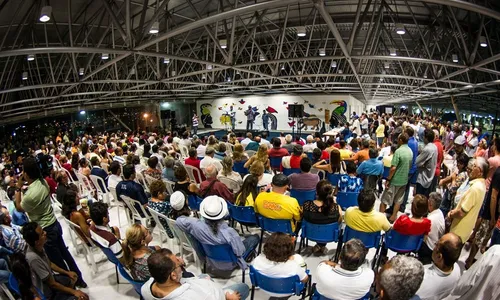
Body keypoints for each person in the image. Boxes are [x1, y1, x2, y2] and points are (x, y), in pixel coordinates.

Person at [14, 157, 86, 287]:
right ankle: (79, 279)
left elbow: (19, 207)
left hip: (44, 230)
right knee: (66, 254)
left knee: (58, 261)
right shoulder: (43, 182)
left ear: (26, 173)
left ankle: (72, 285)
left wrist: (18, 187)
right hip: (54, 224)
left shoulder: (30, 195)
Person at [176, 195, 259, 272]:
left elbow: (179, 221)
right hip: (230, 263)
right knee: (254, 238)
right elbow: (240, 252)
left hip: (209, 260)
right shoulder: (230, 233)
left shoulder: (196, 225)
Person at [141, 249, 249, 300]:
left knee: (203, 276)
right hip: (221, 296)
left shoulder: (146, 288)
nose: (180, 260)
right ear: (173, 276)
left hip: (201, 284)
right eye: (178, 263)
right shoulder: (195, 296)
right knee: (243, 288)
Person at [22, 222, 89, 300]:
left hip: (52, 281)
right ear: (37, 242)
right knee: (82, 297)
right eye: (42, 233)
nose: (45, 233)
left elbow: (49, 264)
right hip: (48, 293)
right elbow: (52, 284)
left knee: (73, 277)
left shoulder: (39, 246)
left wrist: (67, 273)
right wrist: (73, 292)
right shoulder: (33, 258)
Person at [252, 232, 308, 299]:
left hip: (265, 289)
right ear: (289, 249)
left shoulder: (257, 260)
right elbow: (304, 279)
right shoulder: (294, 266)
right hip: (288, 291)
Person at [449, 157, 488, 247]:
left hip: (458, 229)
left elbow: (461, 213)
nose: (471, 168)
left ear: (480, 172)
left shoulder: (475, 188)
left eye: (474, 166)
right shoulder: (481, 185)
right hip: (464, 229)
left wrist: (450, 214)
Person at [414, 233, 463, 300]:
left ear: (439, 256)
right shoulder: (457, 269)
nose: (435, 245)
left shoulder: (420, 280)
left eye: (436, 244)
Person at [380, 133, 414, 223]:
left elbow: (393, 168)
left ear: (401, 140)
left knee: (384, 200)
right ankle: (393, 217)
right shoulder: (410, 151)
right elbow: (410, 165)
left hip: (395, 180)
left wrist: (388, 179)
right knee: (398, 200)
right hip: (404, 180)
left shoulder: (398, 151)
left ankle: (380, 218)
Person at [303, 180, 342, 255]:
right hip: (330, 235)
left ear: (316, 192)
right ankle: (321, 245)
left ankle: (319, 245)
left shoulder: (307, 205)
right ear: (331, 193)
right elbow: (339, 221)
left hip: (310, 233)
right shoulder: (336, 207)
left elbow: (303, 217)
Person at [419, 192, 445, 265]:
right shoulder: (440, 212)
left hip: (429, 247)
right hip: (436, 244)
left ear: (430, 204)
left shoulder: (430, 219)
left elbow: (422, 234)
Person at [415, 129, 438, 197]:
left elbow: (417, 161)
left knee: (419, 201)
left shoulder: (427, 149)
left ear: (426, 138)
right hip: (430, 177)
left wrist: (422, 164)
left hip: (423, 178)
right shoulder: (434, 147)